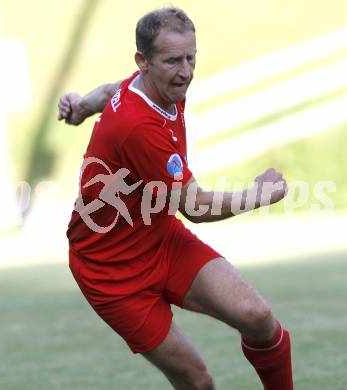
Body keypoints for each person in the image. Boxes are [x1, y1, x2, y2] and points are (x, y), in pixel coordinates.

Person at [58, 7, 293, 390]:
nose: (185, 71)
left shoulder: (152, 85)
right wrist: (260, 194)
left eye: (191, 57)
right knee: (198, 382)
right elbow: (195, 207)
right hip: (112, 272)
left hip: (161, 240)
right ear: (144, 61)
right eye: (173, 60)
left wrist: (81, 107)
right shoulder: (138, 125)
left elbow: (109, 92)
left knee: (258, 316)